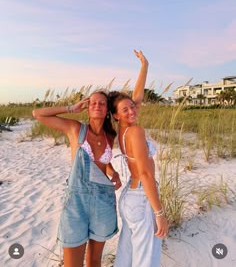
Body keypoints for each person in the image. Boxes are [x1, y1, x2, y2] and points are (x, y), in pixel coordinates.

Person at [32, 90, 122, 267]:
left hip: (103, 202)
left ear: (107, 111)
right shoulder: (75, 129)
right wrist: (70, 108)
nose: (97, 105)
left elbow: (102, 161)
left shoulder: (109, 136)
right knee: (73, 264)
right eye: (93, 102)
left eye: (102, 103)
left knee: (95, 261)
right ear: (87, 108)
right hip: (76, 203)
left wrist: (113, 172)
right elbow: (38, 114)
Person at [108, 50, 169, 267]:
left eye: (132, 106)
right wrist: (159, 212)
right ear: (116, 114)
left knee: (126, 256)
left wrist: (144, 66)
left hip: (128, 197)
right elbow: (145, 173)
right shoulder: (136, 132)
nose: (133, 110)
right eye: (125, 109)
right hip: (141, 198)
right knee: (146, 260)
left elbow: (137, 98)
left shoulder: (124, 130)